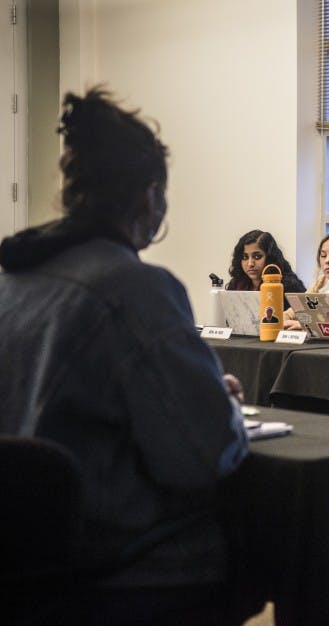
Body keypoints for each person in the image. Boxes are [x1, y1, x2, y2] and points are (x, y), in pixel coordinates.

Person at [0, 88, 256, 624]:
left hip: (22, 571)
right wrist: (224, 406)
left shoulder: (12, 281)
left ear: (70, 193)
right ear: (151, 197)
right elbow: (204, 456)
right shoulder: (136, 290)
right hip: (123, 573)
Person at [225, 229, 307, 302]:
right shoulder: (236, 284)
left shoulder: (289, 286)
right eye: (245, 257)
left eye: (257, 257)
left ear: (270, 257)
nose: (250, 264)